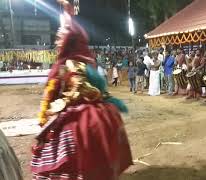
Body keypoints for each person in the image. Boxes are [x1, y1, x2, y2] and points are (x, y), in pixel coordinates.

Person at [31, 2, 133, 179]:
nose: (57, 40)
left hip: (78, 114)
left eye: (60, 37)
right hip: (92, 109)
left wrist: (57, 107)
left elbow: (80, 89)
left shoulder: (71, 64)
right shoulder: (81, 63)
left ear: (68, 41)